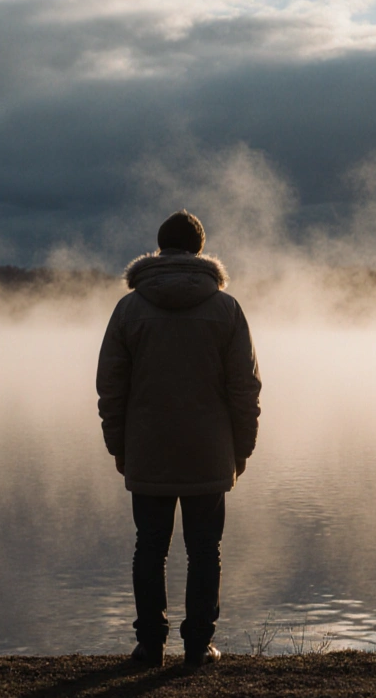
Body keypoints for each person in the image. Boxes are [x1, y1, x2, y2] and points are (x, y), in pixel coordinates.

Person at [95, 210, 262, 668]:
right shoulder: (226, 309)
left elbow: (111, 385)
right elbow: (244, 387)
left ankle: (150, 646)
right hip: (209, 452)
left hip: (147, 451)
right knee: (205, 550)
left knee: (149, 546)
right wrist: (241, 448)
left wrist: (119, 446)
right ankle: (197, 647)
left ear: (159, 248)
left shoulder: (129, 308)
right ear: (200, 251)